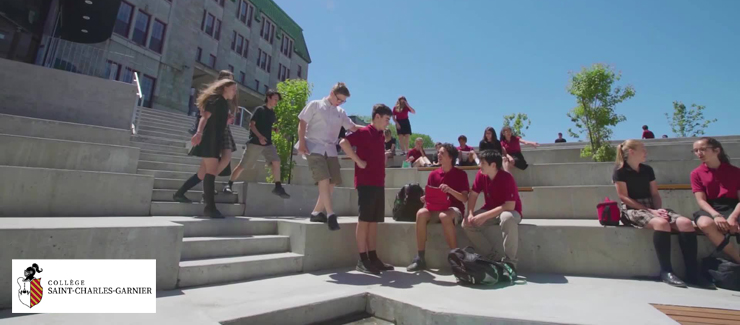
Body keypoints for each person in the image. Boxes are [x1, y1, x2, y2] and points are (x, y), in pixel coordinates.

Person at [613, 140, 711, 288]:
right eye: (643, 149)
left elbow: (655, 194)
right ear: (632, 152)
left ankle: (692, 272)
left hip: (652, 208)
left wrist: (659, 210)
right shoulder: (619, 171)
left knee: (685, 223)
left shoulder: (647, 170)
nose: (646, 152)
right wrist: (651, 212)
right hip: (632, 209)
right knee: (662, 224)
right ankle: (666, 271)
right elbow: (624, 197)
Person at [297, 82, 361, 230]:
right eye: (339, 99)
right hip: (313, 146)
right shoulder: (315, 105)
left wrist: (372, 127)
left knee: (333, 181)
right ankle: (331, 214)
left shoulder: (340, 112)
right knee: (323, 178)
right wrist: (301, 143)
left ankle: (316, 212)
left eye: (343, 101)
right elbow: (302, 123)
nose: (340, 102)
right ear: (332, 93)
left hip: (331, 149)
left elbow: (352, 127)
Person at [339, 104, 394, 275]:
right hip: (366, 183)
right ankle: (362, 260)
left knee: (373, 222)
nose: (387, 123)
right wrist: (358, 161)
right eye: (386, 119)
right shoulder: (364, 132)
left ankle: (373, 257)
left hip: (378, 183)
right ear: (377, 117)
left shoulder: (379, 136)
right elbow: (343, 142)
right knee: (364, 221)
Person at [173, 79, 238, 218]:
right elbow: (205, 117)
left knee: (202, 174)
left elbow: (215, 119)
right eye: (233, 89)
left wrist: (225, 120)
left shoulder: (222, 102)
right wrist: (199, 132)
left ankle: (179, 194)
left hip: (214, 139)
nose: (235, 92)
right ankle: (210, 208)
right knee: (211, 171)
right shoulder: (217, 100)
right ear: (225, 88)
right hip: (210, 140)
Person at [406, 143, 470, 272]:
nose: (438, 155)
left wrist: (450, 190)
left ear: (450, 157)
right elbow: (430, 196)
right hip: (434, 208)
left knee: (444, 215)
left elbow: (464, 198)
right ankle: (420, 257)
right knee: (420, 213)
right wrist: (425, 199)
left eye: (442, 153)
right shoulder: (433, 174)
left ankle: (455, 257)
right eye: (439, 153)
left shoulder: (461, 174)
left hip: (453, 209)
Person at [223, 89, 289, 198]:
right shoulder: (260, 110)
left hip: (267, 143)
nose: (276, 102)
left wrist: (274, 129)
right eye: (275, 99)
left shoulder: (272, 113)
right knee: (243, 166)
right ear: (268, 97)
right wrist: (259, 136)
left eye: (277, 100)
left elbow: (267, 125)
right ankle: (229, 184)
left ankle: (278, 187)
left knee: (276, 161)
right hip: (255, 142)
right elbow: (252, 125)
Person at [463, 149, 522, 271]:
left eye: (483, 163)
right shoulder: (481, 174)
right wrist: (470, 213)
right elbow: (473, 194)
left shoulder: (507, 178)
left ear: (493, 165)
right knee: (467, 223)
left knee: (506, 217)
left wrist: (484, 216)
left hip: (511, 211)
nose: (479, 165)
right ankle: (492, 257)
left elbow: (509, 206)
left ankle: (510, 263)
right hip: (490, 210)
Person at [691, 137, 740, 264]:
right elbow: (701, 200)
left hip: (733, 206)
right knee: (705, 224)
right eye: (695, 150)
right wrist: (716, 215)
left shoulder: (736, 172)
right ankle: (738, 258)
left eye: (702, 149)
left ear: (717, 150)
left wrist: (733, 217)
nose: (698, 153)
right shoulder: (696, 173)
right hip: (711, 207)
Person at [190, 70, 234, 134]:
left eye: (232, 80)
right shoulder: (214, 95)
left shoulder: (226, 97)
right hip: (209, 129)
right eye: (229, 79)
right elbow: (204, 114)